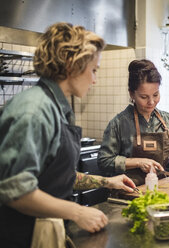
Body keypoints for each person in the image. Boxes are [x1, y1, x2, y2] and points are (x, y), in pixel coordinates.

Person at [0, 22, 137, 247]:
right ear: (72, 65)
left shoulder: (58, 108)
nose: (95, 79)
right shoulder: (34, 111)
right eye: (93, 70)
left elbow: (57, 176)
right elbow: (16, 190)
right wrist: (77, 212)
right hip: (22, 236)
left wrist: (108, 182)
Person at [98, 59, 169, 185]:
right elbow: (104, 161)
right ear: (132, 94)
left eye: (155, 95)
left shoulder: (168, 121)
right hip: (129, 191)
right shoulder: (119, 124)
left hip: (161, 188)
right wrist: (138, 162)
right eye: (144, 97)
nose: (151, 102)